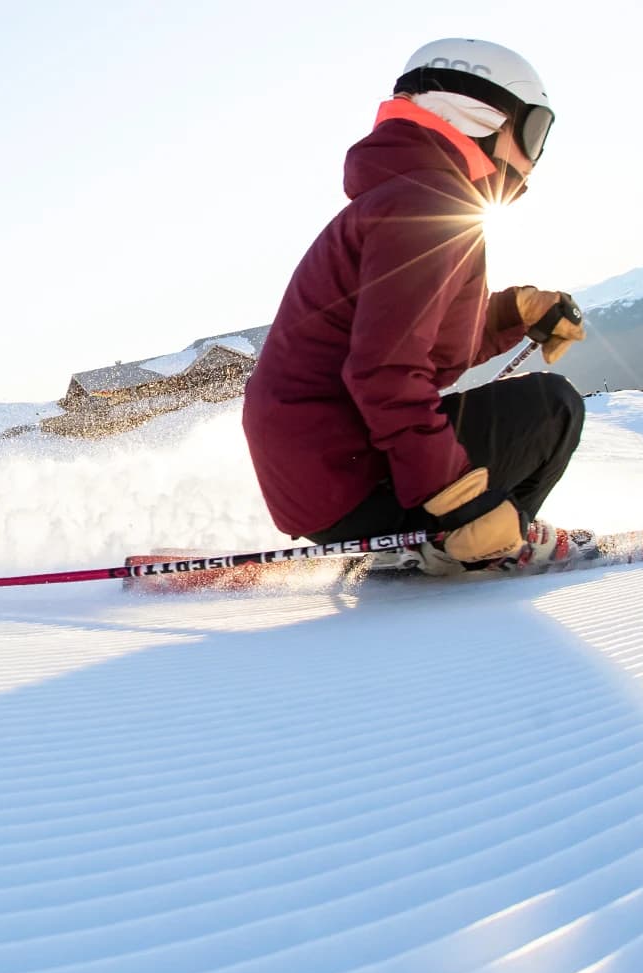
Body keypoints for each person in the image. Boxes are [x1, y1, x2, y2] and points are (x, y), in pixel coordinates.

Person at [242, 38, 590, 574]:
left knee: (537, 408)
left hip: (329, 477)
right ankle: (478, 543)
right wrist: (459, 499)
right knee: (553, 408)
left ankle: (442, 538)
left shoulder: (411, 197)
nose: (534, 156)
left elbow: (416, 346)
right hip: (350, 476)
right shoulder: (428, 204)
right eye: (535, 131)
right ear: (484, 116)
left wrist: (515, 313)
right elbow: (385, 373)